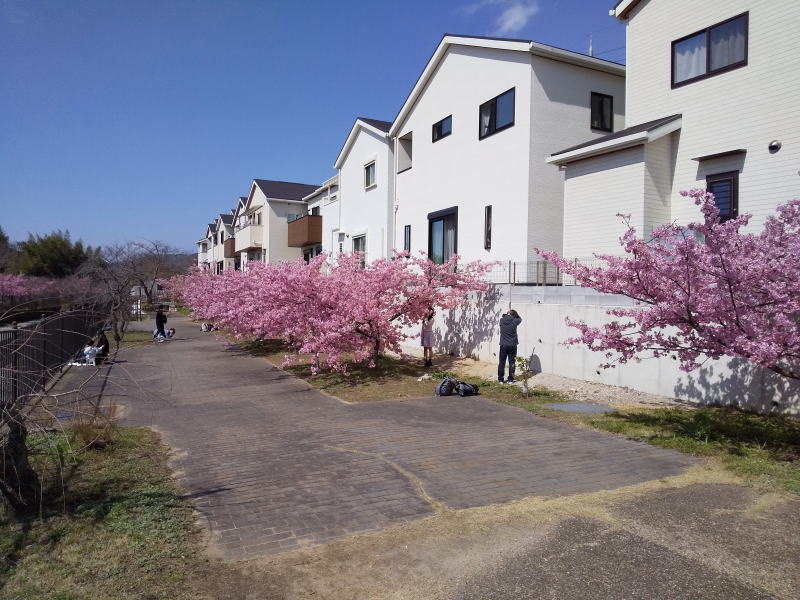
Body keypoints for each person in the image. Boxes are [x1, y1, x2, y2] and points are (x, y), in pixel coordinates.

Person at [498, 309, 522, 383]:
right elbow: (519, 318)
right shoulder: (515, 321)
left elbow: (503, 316)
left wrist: (506, 315)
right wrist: (514, 314)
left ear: (507, 314)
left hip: (503, 345)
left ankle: (501, 379)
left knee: (502, 362)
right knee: (512, 362)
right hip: (512, 345)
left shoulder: (502, 320)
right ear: (513, 315)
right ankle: (510, 379)